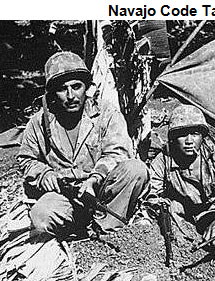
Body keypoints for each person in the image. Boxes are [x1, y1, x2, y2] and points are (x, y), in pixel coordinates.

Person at [17, 51, 149, 237]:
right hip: (63, 194)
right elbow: (26, 159)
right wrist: (43, 174)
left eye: (76, 86)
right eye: (63, 89)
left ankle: (106, 228)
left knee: (136, 169)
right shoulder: (39, 122)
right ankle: (75, 229)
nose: (71, 95)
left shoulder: (106, 113)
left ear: (86, 87)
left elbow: (118, 152)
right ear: (53, 93)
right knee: (42, 216)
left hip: (100, 191)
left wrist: (94, 179)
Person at [145, 104, 215, 242]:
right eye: (182, 135)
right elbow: (152, 195)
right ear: (173, 138)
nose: (189, 141)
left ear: (202, 136)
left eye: (195, 134)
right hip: (191, 214)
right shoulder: (163, 161)